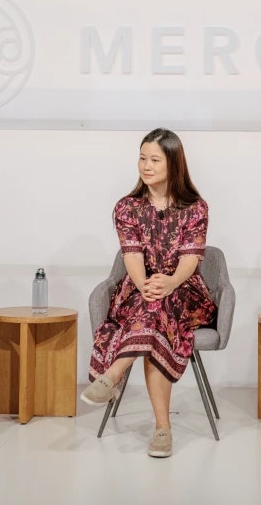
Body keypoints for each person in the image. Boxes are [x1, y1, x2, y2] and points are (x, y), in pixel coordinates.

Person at [81, 128, 216, 458]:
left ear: (173, 163)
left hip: (185, 294)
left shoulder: (195, 208)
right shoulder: (127, 207)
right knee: (152, 312)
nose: (146, 165)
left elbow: (190, 258)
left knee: (156, 307)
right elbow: (131, 254)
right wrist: (143, 285)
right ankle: (162, 429)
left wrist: (168, 282)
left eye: (154, 159)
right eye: (142, 158)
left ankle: (111, 375)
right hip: (140, 291)